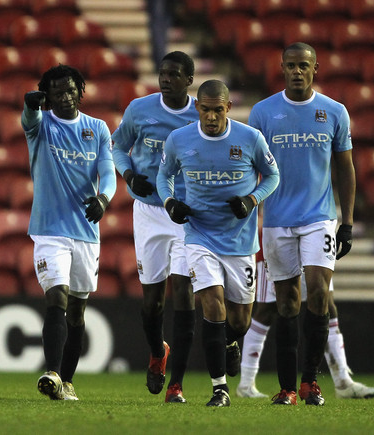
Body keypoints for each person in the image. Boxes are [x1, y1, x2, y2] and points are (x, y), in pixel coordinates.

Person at [157, 79, 279, 407]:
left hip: (240, 242)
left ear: (228, 108)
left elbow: (272, 176)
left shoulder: (250, 138)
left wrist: (252, 200)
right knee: (212, 304)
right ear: (197, 108)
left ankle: (229, 344)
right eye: (206, 110)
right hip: (199, 236)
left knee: (238, 322)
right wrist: (170, 202)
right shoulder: (179, 139)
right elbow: (163, 175)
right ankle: (220, 389)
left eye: (217, 110)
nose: (211, 117)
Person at [248, 42, 356, 406]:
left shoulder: (334, 112)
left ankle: (310, 382)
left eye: (303, 66)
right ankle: (287, 388)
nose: (297, 71)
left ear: (316, 69)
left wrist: (348, 221)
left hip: (319, 218)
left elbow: (345, 168)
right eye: (290, 65)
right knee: (287, 302)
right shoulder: (263, 113)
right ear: (282, 68)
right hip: (277, 219)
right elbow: (253, 170)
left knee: (319, 292)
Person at [22, 64, 116, 401]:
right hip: (49, 230)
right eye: (57, 91)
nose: (65, 96)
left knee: (77, 311)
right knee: (56, 298)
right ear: (49, 95)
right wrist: (31, 103)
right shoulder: (41, 125)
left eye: (70, 89)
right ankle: (52, 371)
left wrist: (104, 199)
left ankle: (68, 381)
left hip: (86, 232)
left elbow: (108, 172)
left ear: (80, 90)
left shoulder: (97, 128)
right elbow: (28, 119)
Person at [111, 51, 197, 403]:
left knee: (184, 293)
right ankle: (157, 351)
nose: (166, 79)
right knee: (152, 304)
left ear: (188, 80)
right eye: (162, 73)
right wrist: (129, 174)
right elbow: (117, 146)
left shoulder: (199, 114)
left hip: (184, 214)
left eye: (174, 74)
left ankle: (176, 384)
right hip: (148, 211)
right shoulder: (140, 109)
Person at [237, 208, 374, 399]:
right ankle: (246, 383)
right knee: (268, 309)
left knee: (326, 303)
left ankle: (342, 381)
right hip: (279, 228)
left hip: (314, 225)